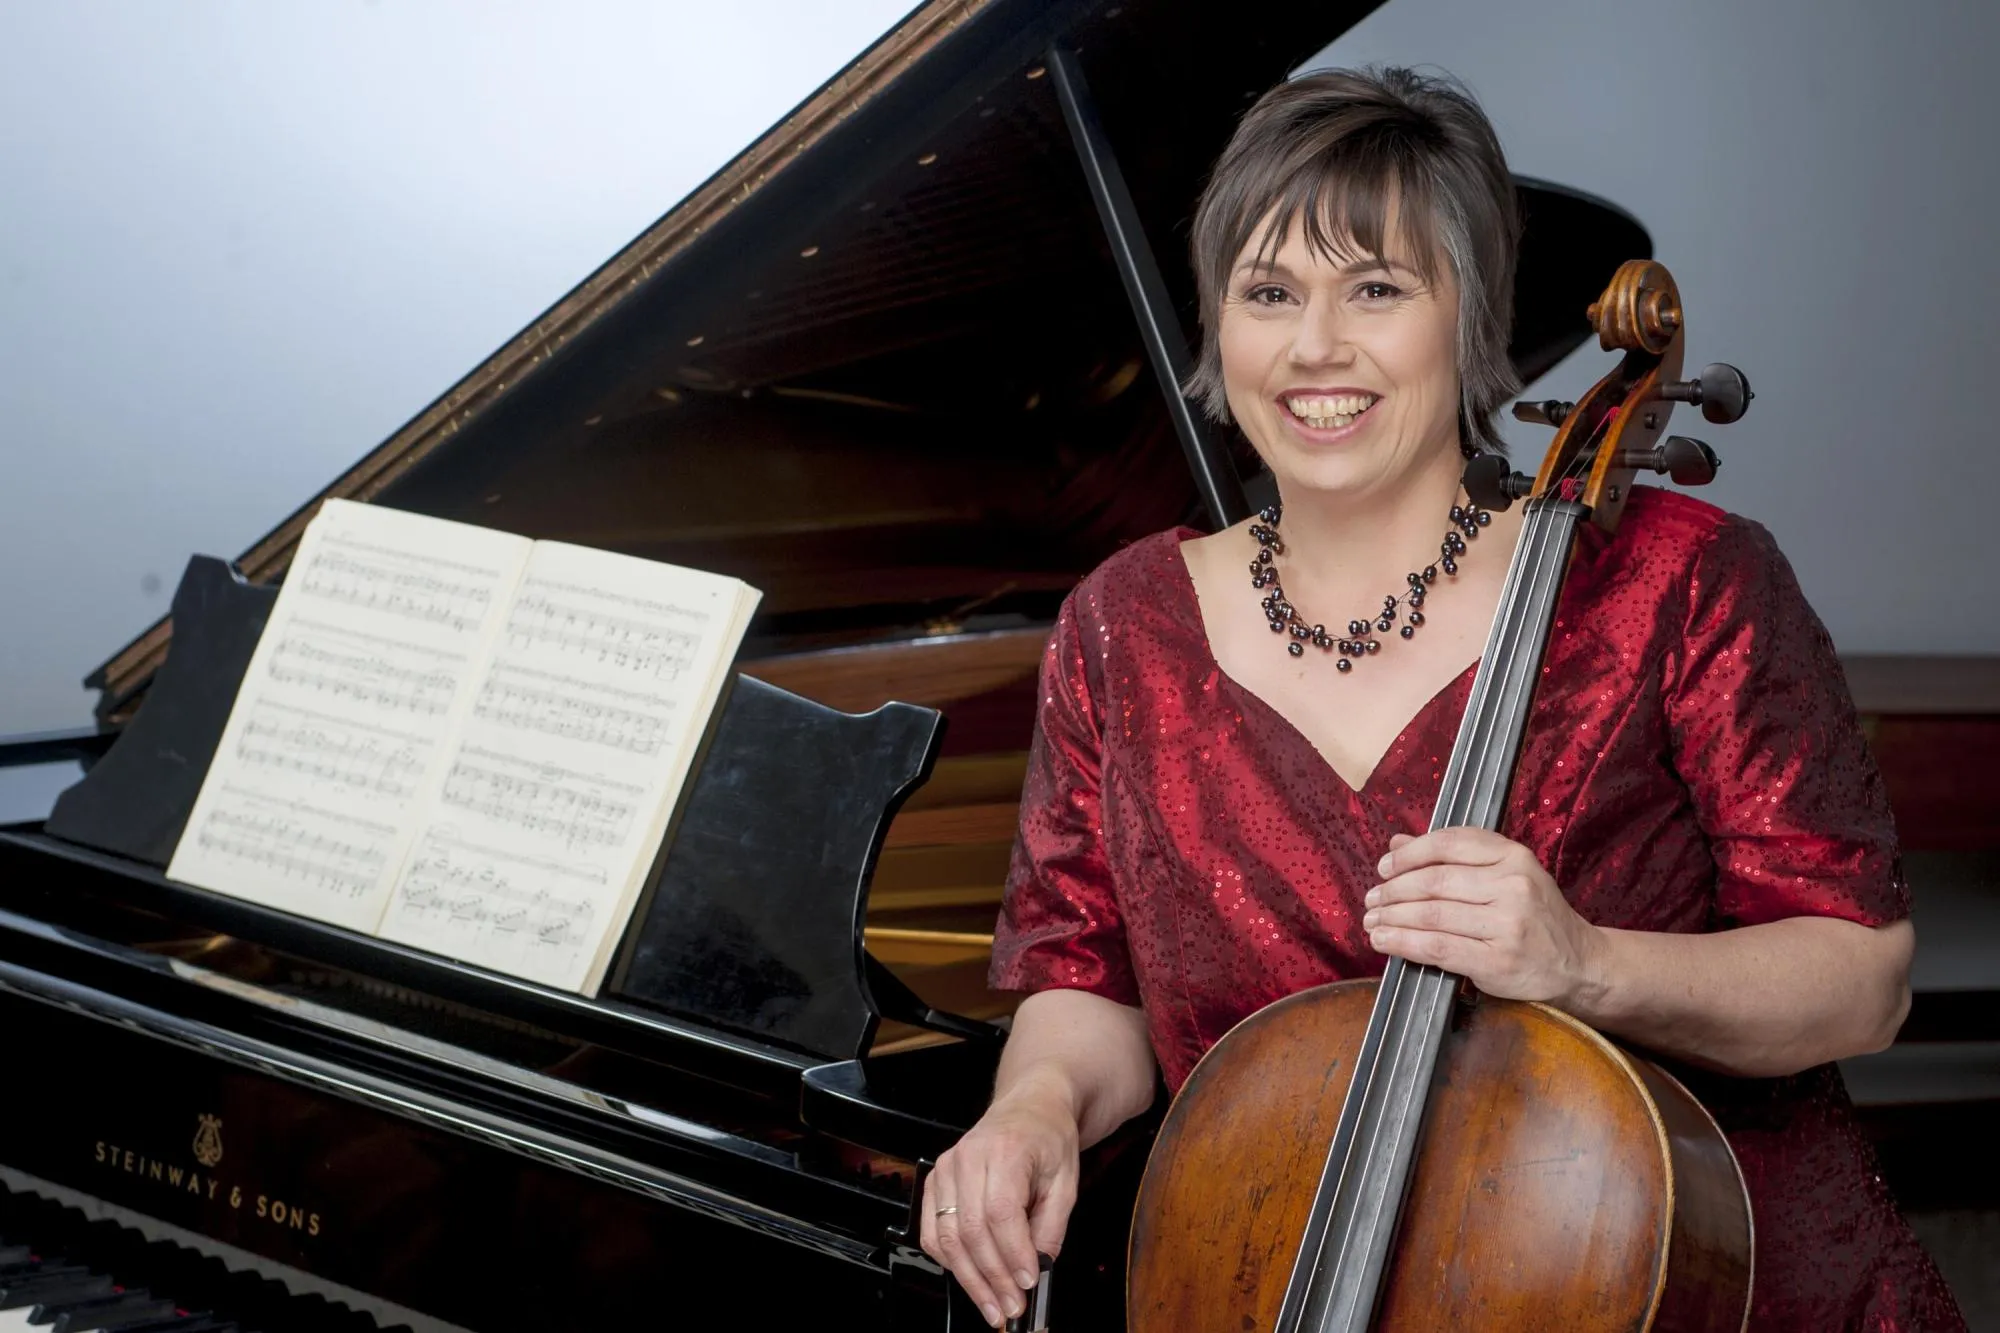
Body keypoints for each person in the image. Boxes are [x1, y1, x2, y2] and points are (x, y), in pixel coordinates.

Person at [917, 67, 1966, 1331]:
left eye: (1376, 288)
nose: (1314, 346)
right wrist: (1030, 1106)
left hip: (1696, 1291)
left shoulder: (1677, 579)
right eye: (1266, 294)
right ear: (1215, 326)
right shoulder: (1120, 626)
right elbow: (1085, 985)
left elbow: (1861, 979)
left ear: (1468, 318)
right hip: (1295, 1284)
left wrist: (1584, 965)